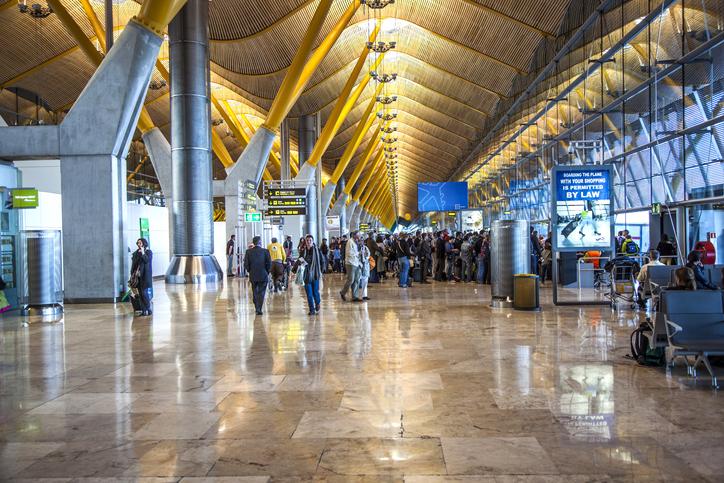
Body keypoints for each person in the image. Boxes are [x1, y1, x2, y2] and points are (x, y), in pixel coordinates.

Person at [243, 236, 271, 315]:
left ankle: (257, 307)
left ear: (253, 243)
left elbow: (246, 264)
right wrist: (267, 271)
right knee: (262, 292)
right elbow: (269, 263)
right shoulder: (265, 251)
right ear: (260, 242)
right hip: (263, 274)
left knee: (255, 291)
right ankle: (259, 309)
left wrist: (250, 271)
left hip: (253, 275)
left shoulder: (248, 252)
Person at [298, 234, 323, 315]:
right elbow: (299, 260)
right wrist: (294, 270)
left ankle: (317, 303)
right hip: (306, 275)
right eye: (307, 240)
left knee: (315, 292)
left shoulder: (317, 250)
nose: (309, 242)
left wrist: (321, 271)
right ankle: (311, 309)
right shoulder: (303, 251)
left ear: (313, 241)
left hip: (315, 274)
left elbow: (322, 261)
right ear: (305, 242)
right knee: (309, 294)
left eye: (310, 240)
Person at [130, 238, 153, 316]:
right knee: (140, 294)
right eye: (138, 243)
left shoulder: (148, 252)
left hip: (145, 276)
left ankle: (148, 308)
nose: (139, 244)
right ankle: (144, 310)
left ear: (144, 243)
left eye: (140, 243)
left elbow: (146, 260)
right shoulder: (136, 253)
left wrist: (143, 252)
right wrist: (132, 275)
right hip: (137, 277)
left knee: (144, 293)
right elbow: (134, 265)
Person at [340, 231, 362, 301]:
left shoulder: (356, 242)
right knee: (351, 279)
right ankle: (343, 292)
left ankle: (355, 296)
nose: (360, 236)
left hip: (356, 263)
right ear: (354, 235)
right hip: (350, 263)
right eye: (358, 235)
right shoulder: (350, 242)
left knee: (356, 280)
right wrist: (358, 253)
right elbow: (349, 253)